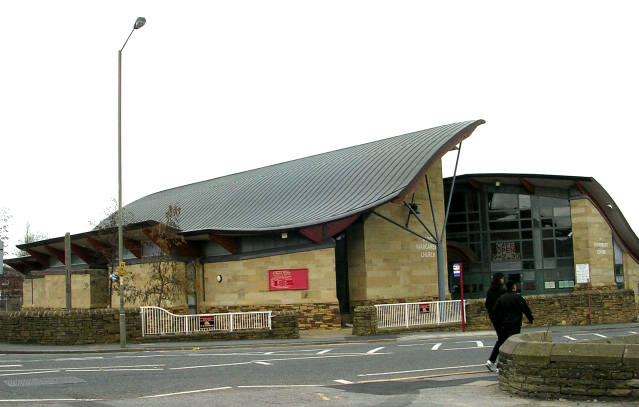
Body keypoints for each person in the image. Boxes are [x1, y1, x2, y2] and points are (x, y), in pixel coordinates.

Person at [487, 281, 534, 372]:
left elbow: (494, 311)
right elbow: (526, 309)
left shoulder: (502, 298)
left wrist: (498, 323)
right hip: (515, 325)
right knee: (513, 346)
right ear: (514, 288)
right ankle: (502, 366)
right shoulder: (518, 297)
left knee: (504, 345)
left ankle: (498, 366)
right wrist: (530, 319)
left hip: (504, 325)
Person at [484, 273, 506, 372]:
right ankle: (498, 365)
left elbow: (486, 304)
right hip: (503, 318)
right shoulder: (502, 291)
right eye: (502, 278)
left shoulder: (489, 291)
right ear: (499, 280)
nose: (503, 280)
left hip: (494, 318)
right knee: (504, 340)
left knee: (501, 339)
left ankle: (491, 361)